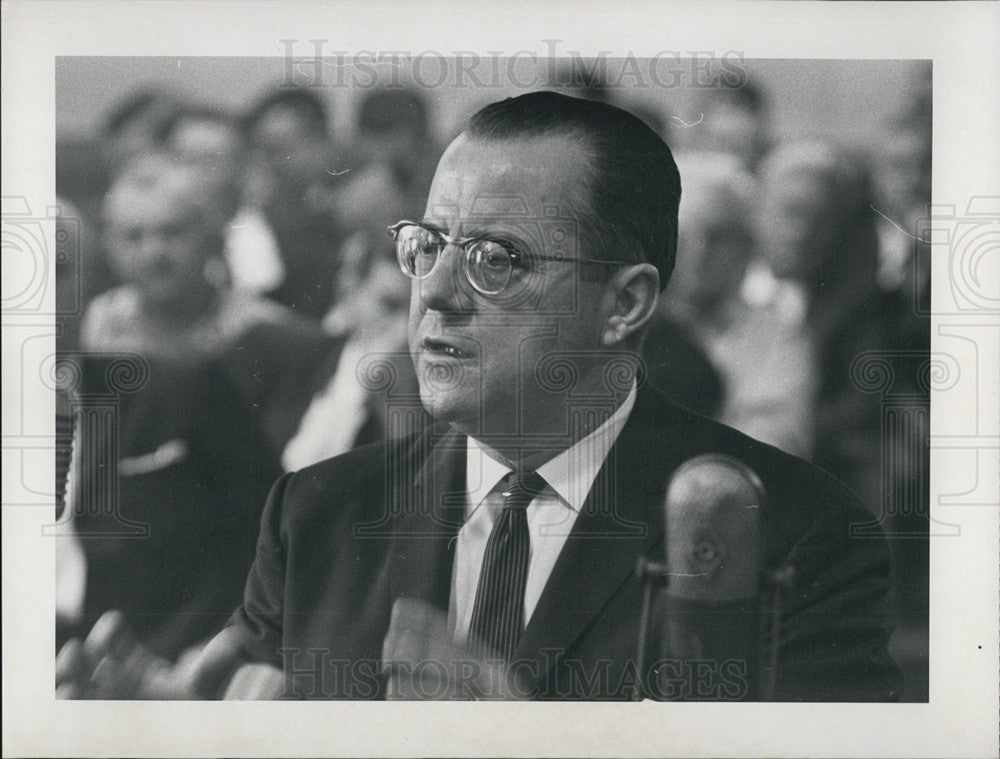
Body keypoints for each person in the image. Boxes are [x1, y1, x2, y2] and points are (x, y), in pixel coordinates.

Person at [59, 92, 901, 702]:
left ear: (625, 304)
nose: (438, 292)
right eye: (426, 245)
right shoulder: (316, 515)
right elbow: (240, 701)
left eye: (497, 258)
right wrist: (168, 725)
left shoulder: (800, 537)